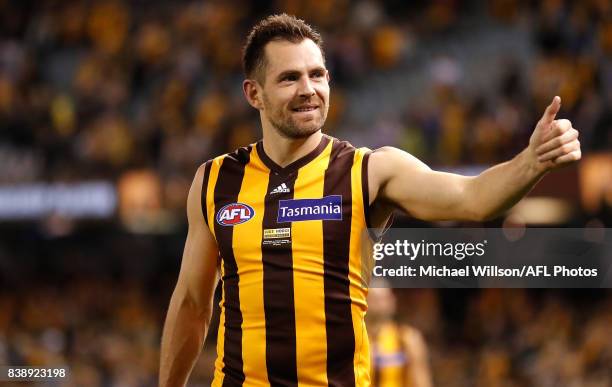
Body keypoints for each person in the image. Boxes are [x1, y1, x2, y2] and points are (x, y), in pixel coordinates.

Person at [159, 14, 581, 387]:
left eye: (317, 75)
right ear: (254, 94)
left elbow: (471, 199)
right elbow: (193, 304)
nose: (309, 89)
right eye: (289, 78)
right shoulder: (215, 180)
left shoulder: (369, 171)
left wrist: (531, 162)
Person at [366, 284, 432, 387]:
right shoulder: (354, 340)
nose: (380, 304)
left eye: (384, 298)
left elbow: (421, 381)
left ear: (392, 300)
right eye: (375, 299)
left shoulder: (408, 338)